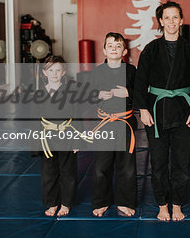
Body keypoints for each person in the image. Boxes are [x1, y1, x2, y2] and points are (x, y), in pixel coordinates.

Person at [134, 0, 190, 221]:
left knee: (182, 163)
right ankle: (162, 204)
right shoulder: (151, 49)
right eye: (167, 17)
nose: (172, 21)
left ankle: (177, 205)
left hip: (184, 111)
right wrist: (143, 109)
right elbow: (140, 81)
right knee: (158, 162)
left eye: (176, 17)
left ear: (181, 20)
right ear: (161, 22)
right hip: (156, 112)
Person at [91, 32, 138, 218]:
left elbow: (142, 94)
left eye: (118, 46)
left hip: (125, 122)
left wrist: (128, 92)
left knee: (126, 166)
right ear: (104, 49)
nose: (114, 48)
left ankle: (125, 202)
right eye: (110, 45)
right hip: (104, 122)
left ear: (124, 51)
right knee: (102, 165)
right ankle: (101, 202)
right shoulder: (96, 72)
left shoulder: (132, 70)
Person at [30, 55, 79, 217]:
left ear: (63, 72)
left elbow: (76, 116)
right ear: (44, 72)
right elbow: (35, 119)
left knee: (68, 172)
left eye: (58, 70)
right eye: (51, 70)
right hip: (46, 138)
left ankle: (66, 203)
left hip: (66, 135)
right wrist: (35, 144)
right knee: (48, 173)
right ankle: (52, 203)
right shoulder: (38, 93)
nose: (54, 73)